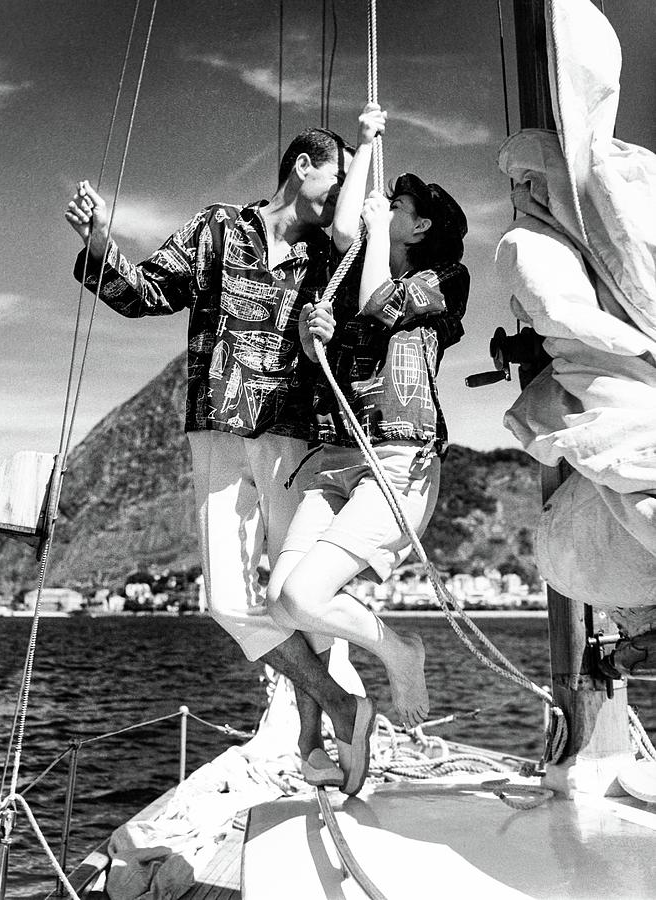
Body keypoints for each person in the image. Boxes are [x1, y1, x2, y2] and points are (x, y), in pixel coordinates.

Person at [64, 123, 376, 791]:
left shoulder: (334, 254)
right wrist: (98, 246)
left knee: (302, 595)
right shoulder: (216, 230)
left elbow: (362, 336)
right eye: (336, 176)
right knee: (228, 601)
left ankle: (314, 745)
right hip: (216, 426)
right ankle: (341, 705)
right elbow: (146, 294)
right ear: (303, 166)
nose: (341, 192)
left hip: (296, 432)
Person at [267, 103, 470, 793]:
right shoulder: (364, 265)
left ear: (422, 227)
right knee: (278, 602)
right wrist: (311, 334)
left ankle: (400, 652)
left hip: (396, 457)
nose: (389, 208)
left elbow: (382, 299)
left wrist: (373, 227)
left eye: (402, 206)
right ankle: (352, 708)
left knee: (303, 591)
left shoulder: (444, 280)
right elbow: (348, 238)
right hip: (334, 455)